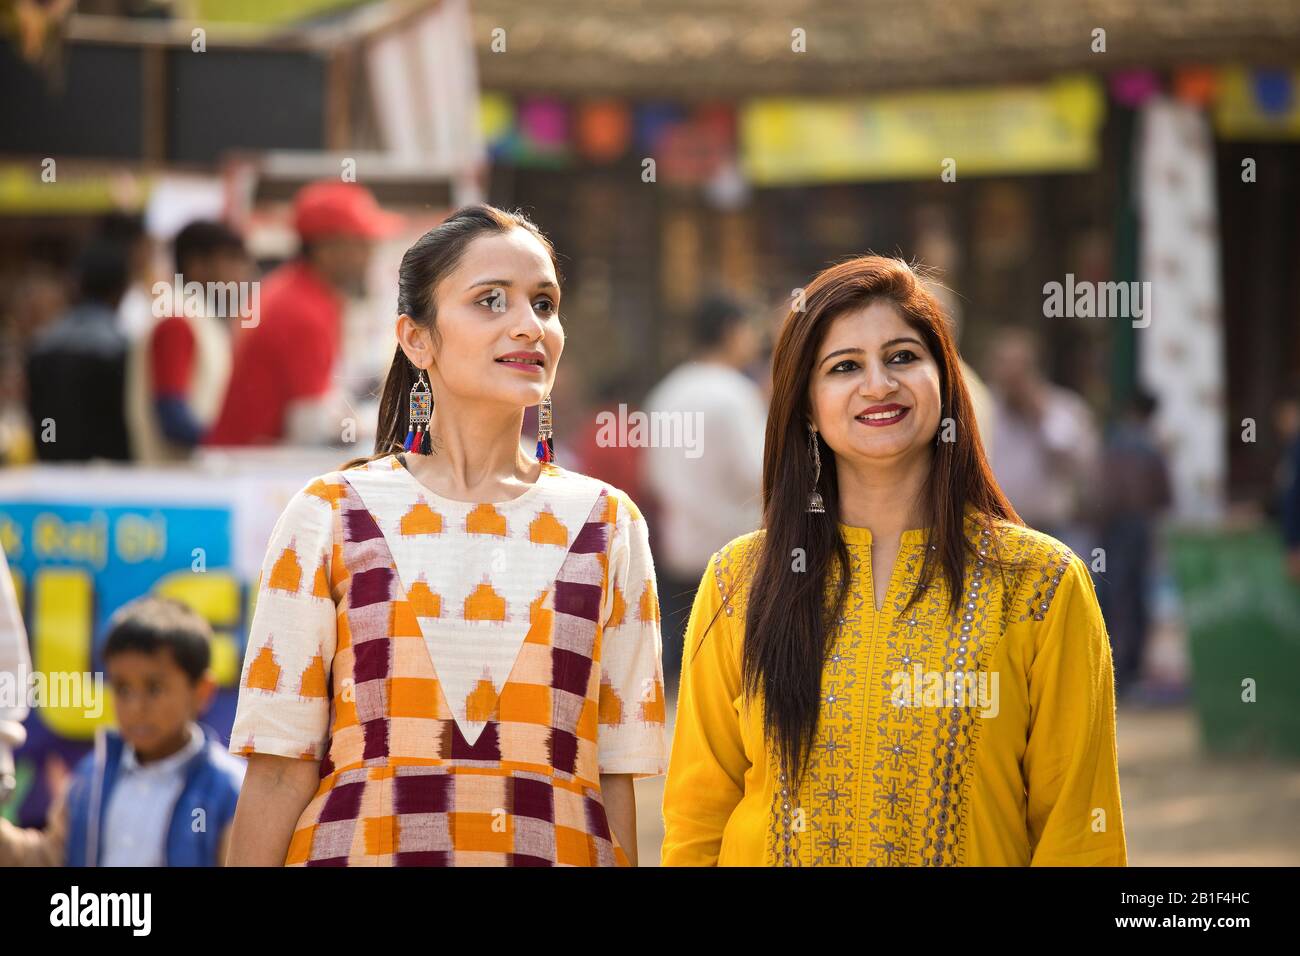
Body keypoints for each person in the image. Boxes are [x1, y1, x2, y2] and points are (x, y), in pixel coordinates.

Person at [225, 205, 667, 867]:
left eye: (544, 303)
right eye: (491, 300)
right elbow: (281, 770)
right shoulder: (328, 515)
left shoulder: (609, 524)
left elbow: (618, 778)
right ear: (417, 339)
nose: (529, 325)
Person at [661, 256, 1126, 866]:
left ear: (947, 380)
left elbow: (1078, 830)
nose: (877, 385)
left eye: (903, 357)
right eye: (844, 367)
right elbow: (698, 818)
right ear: (805, 405)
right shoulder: (740, 582)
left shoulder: (1040, 583)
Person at [0, 596, 245, 866]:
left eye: (154, 688)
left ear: (202, 691)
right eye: (122, 689)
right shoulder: (91, 777)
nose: (135, 707)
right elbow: (51, 858)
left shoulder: (231, 791)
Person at [203, 181, 402, 447]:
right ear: (327, 249)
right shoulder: (302, 309)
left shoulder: (296, 292)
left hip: (247, 461)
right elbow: (309, 427)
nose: (369, 254)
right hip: (249, 470)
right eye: (361, 243)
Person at [642, 293, 767, 694]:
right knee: (732, 676)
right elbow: (760, 472)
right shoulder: (734, 394)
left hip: (680, 547)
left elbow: (653, 473)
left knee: (683, 675)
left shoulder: (667, 392)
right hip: (737, 548)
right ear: (731, 331)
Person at [125, 220, 249, 463]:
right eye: (232, 261)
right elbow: (171, 415)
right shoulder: (177, 320)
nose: (241, 273)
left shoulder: (201, 319)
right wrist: (232, 444)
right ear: (197, 266)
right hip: (175, 485)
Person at [984, 327, 1100, 552]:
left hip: (1053, 529)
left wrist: (1040, 415)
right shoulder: (982, 408)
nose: (1011, 377)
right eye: (1004, 365)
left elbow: (1079, 462)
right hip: (997, 527)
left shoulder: (1064, 407)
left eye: (1018, 368)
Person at [1092, 389, 1172, 697]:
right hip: (1139, 527)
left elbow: (1104, 491)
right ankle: (1131, 671)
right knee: (1136, 597)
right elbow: (1164, 495)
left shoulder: (1116, 443)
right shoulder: (1152, 447)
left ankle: (1109, 668)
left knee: (1112, 595)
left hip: (1114, 527)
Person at [25, 238, 131, 462]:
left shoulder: (43, 345)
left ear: (77, 285)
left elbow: (44, 418)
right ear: (121, 290)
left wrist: (49, 446)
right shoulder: (122, 348)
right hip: (109, 472)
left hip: (53, 464)